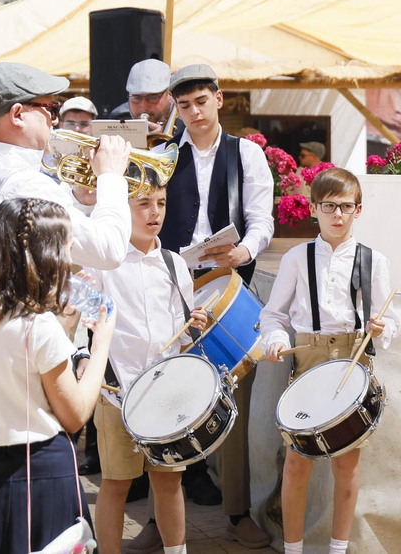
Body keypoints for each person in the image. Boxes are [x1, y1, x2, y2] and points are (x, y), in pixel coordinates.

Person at [0, 63, 132, 521]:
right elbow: (108, 249)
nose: (58, 119)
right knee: (40, 506)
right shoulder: (21, 181)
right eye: (50, 109)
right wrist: (111, 178)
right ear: (19, 114)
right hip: (29, 348)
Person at [0, 198, 117, 552]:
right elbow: (76, 414)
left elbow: (27, 374)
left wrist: (63, 325)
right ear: (47, 254)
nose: (70, 255)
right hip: (42, 471)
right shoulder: (39, 327)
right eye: (67, 245)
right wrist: (101, 343)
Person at [163, 63, 275, 549]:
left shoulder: (247, 154)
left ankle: (237, 511)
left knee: (234, 400)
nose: (193, 112)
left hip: (228, 286)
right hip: (171, 288)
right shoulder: (163, 155)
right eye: (183, 105)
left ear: (219, 99)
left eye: (200, 102)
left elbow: (261, 220)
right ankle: (159, 522)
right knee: (166, 397)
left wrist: (243, 252)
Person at [260, 168, 397, 554]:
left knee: (346, 464)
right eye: (329, 206)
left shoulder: (374, 261)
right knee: (297, 462)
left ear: (359, 209)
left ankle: (338, 549)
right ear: (313, 208)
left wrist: (380, 327)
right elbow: (274, 314)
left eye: (346, 207)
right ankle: (293, 548)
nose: (338, 215)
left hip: (353, 360)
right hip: (308, 357)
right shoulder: (296, 258)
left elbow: (392, 322)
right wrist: (273, 338)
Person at [91, 185, 211, 554]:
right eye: (143, 204)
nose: (154, 212)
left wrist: (195, 324)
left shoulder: (174, 263)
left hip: (164, 393)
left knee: (169, 482)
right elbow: (84, 322)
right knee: (115, 483)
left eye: (160, 203)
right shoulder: (102, 263)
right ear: (120, 208)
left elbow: (182, 331)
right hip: (117, 392)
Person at [126, 61, 177, 135]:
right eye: (136, 98)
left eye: (153, 98)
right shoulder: (120, 119)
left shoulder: (187, 127)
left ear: (170, 96)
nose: (144, 107)